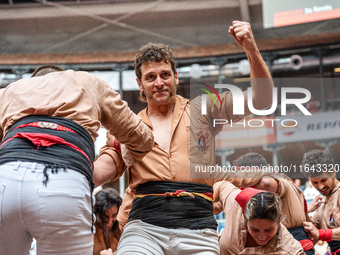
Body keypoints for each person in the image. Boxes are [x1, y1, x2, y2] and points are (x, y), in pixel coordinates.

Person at [94, 21, 274, 254]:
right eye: (150, 77)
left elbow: (263, 100)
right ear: (140, 84)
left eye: (165, 74)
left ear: (176, 77)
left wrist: (251, 49)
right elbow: (105, 165)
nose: (159, 82)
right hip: (144, 228)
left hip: (198, 227)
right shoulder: (128, 126)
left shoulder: (205, 109)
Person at [0, 65, 154, 255]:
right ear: (64, 76)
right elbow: (142, 138)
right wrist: (116, 151)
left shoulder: (9, 91)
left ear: (33, 81)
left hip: (5, 180)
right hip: (64, 181)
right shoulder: (88, 82)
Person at [221, 152, 315, 254]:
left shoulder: (273, 181)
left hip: (290, 245)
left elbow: (265, 184)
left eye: (240, 174)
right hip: (297, 242)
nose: (239, 177)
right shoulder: (286, 181)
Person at [215, 182, 305, 255]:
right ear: (245, 217)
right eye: (254, 229)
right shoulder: (235, 204)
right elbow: (221, 185)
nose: (262, 237)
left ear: (279, 221)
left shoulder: (289, 249)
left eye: (269, 230)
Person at [302, 150, 340, 255]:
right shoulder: (322, 201)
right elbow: (312, 230)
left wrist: (321, 233)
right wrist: (306, 210)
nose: (320, 187)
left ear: (333, 172)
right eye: (315, 182)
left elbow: (318, 233)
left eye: (324, 180)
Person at [93, 188, 122, 255]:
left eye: (114, 215)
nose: (110, 221)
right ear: (96, 213)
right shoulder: (89, 230)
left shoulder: (121, 228)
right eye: (105, 216)